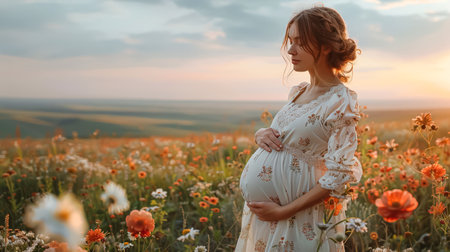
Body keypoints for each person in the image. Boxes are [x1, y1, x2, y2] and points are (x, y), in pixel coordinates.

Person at [236, 5, 363, 252]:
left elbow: (338, 175)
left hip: (297, 218)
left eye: (300, 42)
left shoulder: (341, 101)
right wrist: (261, 134)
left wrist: (283, 212)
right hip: (268, 218)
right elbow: (290, 137)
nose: (291, 50)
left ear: (326, 46)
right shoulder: (300, 91)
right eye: (290, 41)